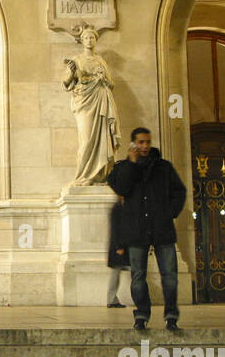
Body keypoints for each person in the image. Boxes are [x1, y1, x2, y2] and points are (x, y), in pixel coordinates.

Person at [107, 127, 187, 331]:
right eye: (140, 142)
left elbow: (179, 191)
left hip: (162, 228)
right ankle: (141, 314)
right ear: (133, 144)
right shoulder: (123, 167)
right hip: (137, 229)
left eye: (147, 142)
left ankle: (171, 314)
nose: (144, 146)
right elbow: (122, 188)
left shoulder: (164, 167)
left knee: (169, 275)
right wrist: (132, 164)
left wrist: (169, 213)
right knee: (138, 276)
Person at [62, 25, 121, 185]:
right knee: (86, 139)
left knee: (102, 138)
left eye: (92, 37)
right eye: (86, 37)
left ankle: (99, 175)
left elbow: (111, 83)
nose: (89, 40)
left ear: (96, 40)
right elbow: (67, 83)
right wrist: (71, 72)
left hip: (100, 100)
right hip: (84, 102)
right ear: (82, 41)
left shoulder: (101, 61)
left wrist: (103, 79)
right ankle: (83, 176)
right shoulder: (76, 60)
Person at [107, 196, 128, 308]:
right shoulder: (117, 208)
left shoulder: (119, 206)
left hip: (121, 246)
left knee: (116, 274)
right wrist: (119, 246)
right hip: (119, 247)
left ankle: (112, 299)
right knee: (116, 274)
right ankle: (111, 299)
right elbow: (115, 228)